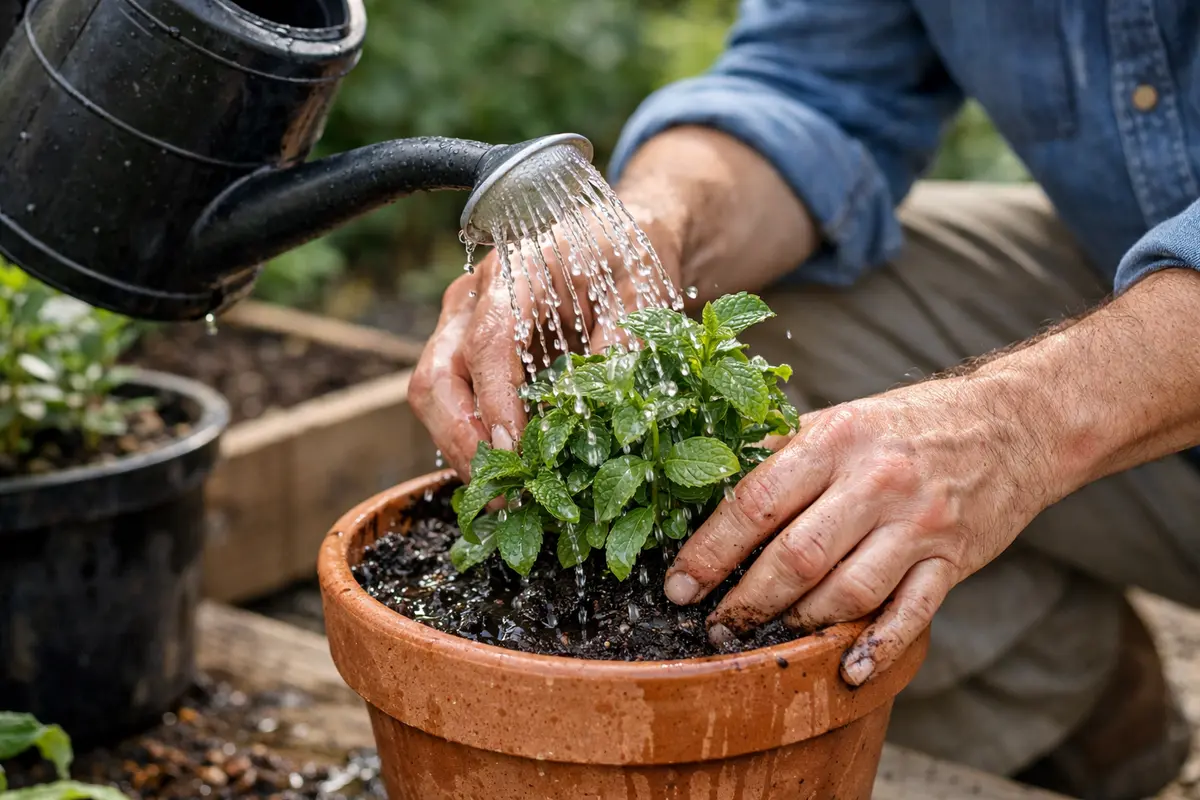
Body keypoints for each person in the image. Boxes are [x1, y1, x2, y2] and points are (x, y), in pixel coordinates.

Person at [409, 2, 1200, 796]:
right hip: (1123, 266)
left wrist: (1016, 428)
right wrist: (654, 224)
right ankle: (1072, 697)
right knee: (756, 316)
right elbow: (812, 83)